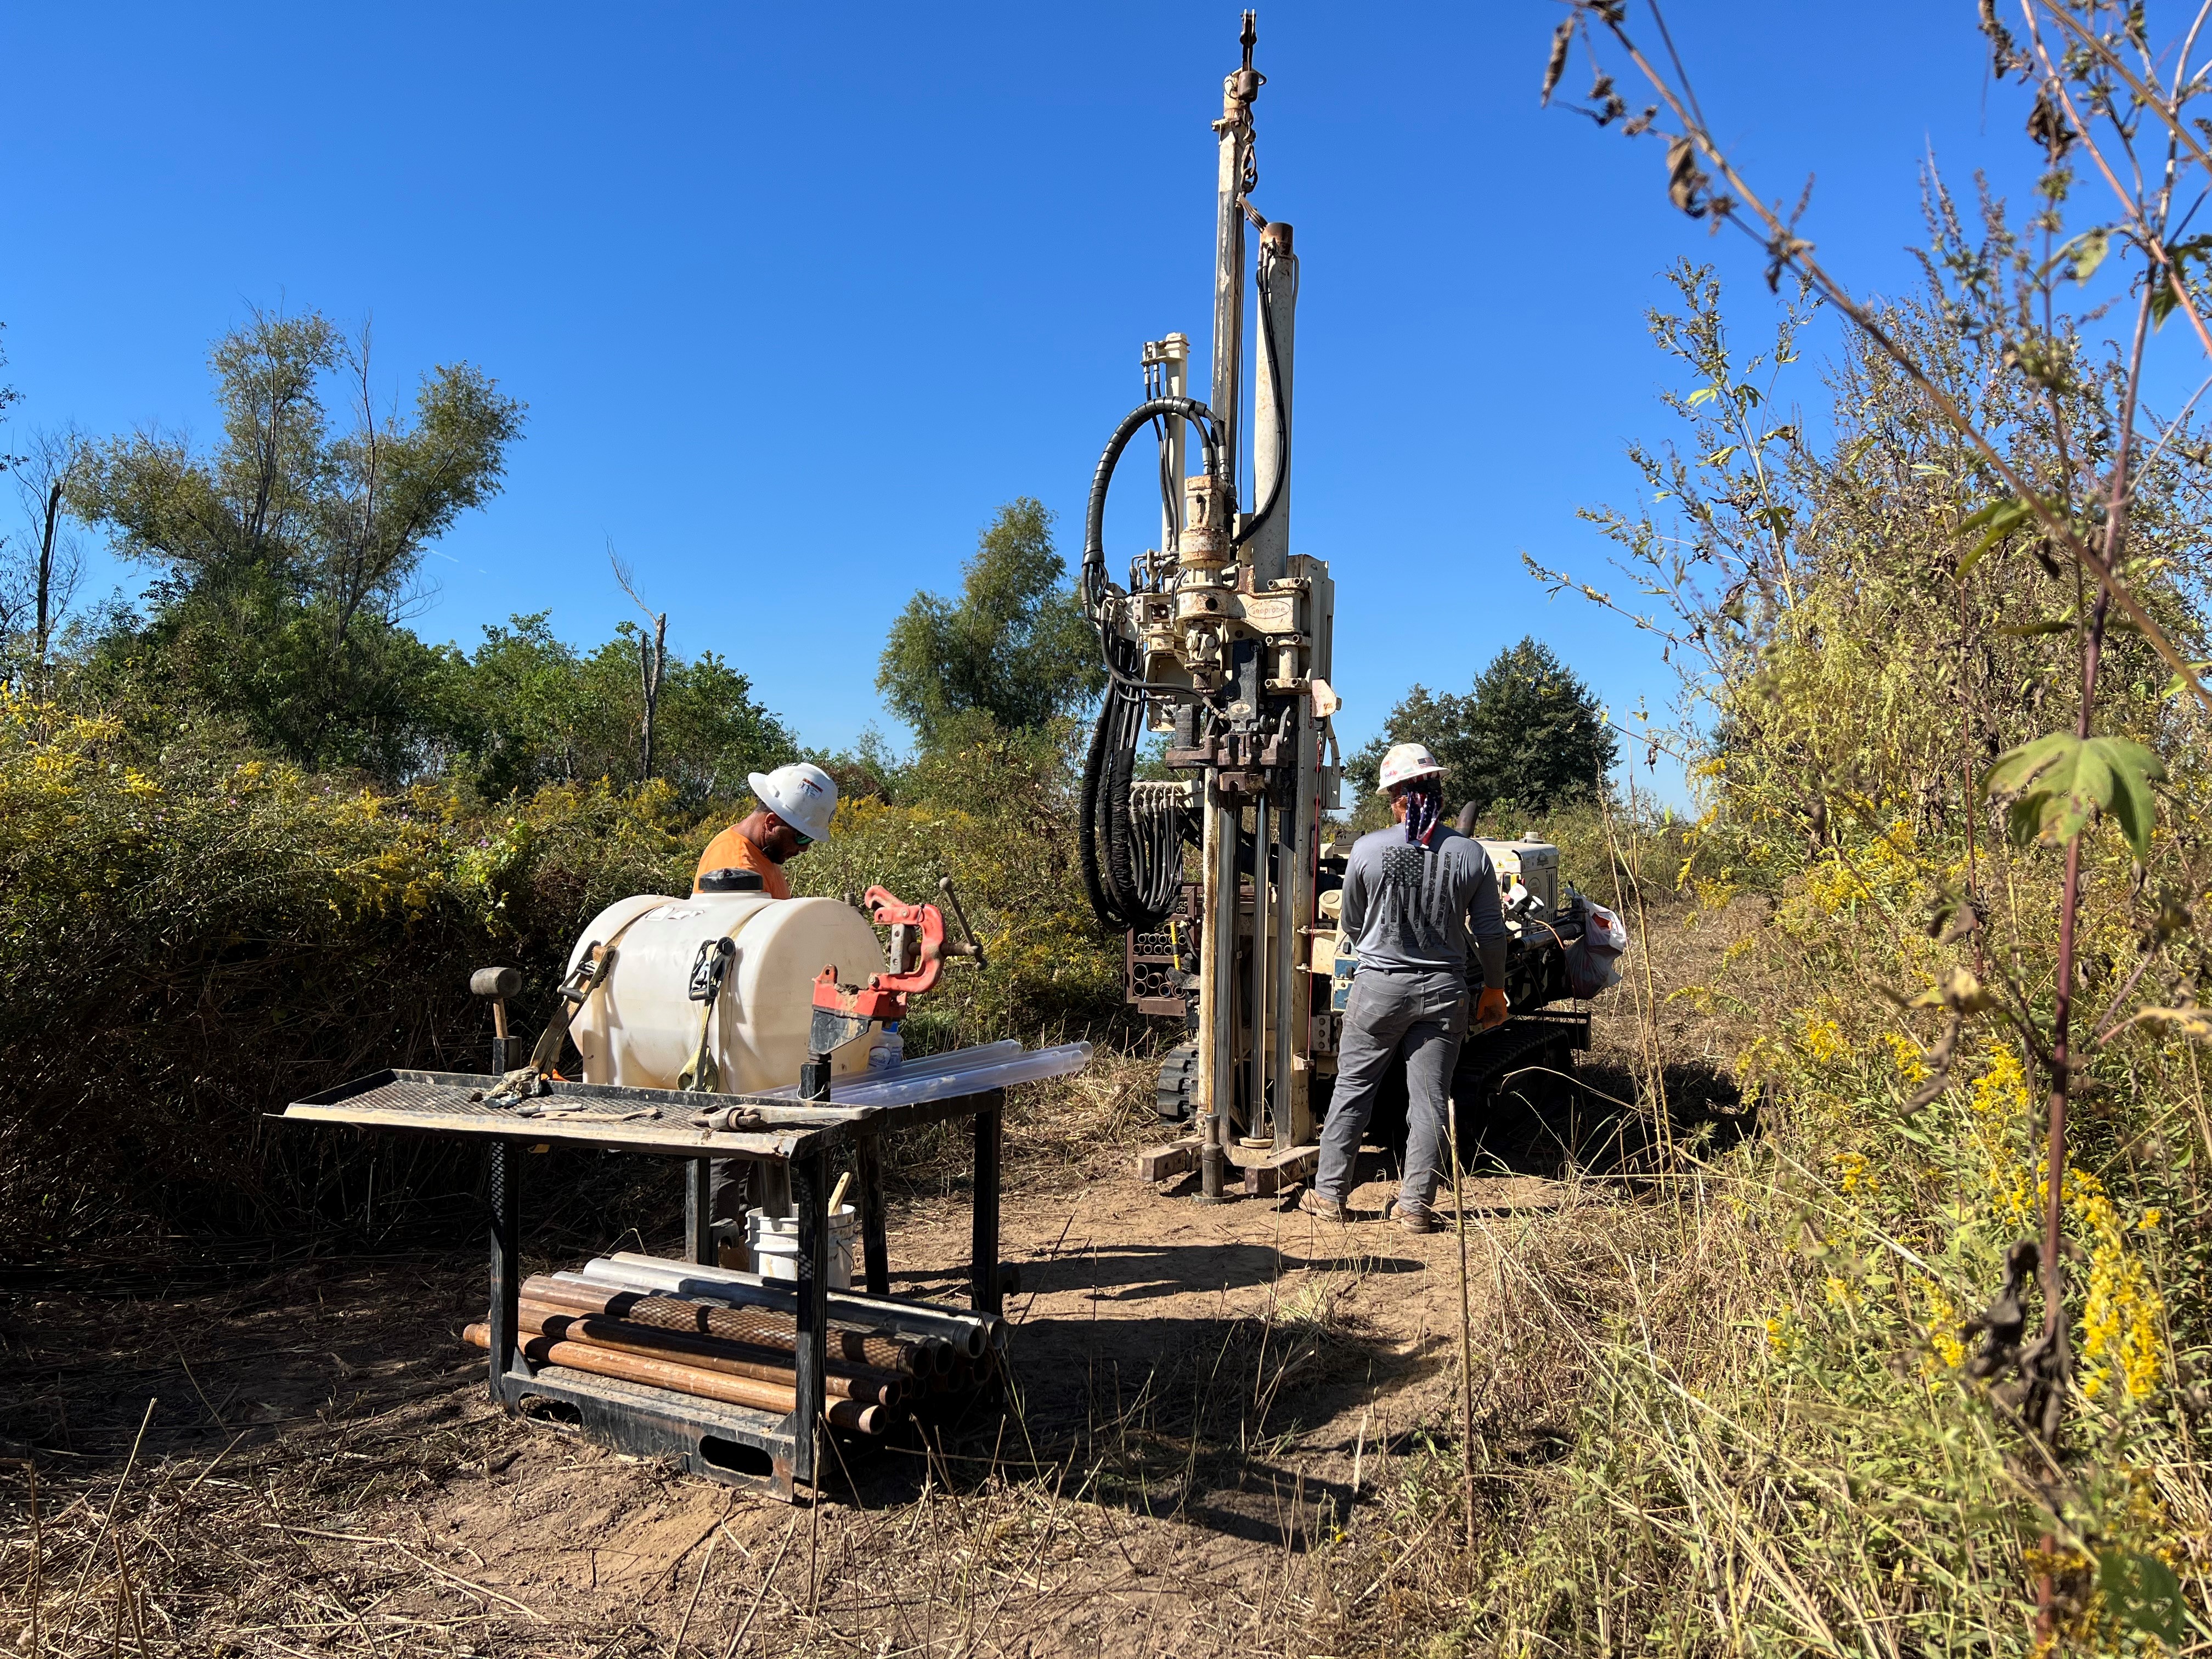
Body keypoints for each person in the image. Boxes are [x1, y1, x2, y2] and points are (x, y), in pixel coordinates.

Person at [1301, 742, 1510, 1233]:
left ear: (1395, 796)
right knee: (1431, 1099)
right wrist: (1494, 990)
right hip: (1444, 991)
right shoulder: (1469, 853)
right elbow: (1492, 933)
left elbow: (1350, 920)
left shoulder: (1369, 850)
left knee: (1353, 1088)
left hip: (1379, 989)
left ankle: (1330, 1197)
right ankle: (1416, 1206)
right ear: (1437, 789)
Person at [695, 762, 838, 1263]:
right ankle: (720, 1271)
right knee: (730, 1147)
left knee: (762, 1145)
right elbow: (740, 957)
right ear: (773, 822)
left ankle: (765, 1265)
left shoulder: (762, 860)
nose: (802, 850)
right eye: (801, 839)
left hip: (758, 1026)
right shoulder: (735, 863)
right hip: (735, 1028)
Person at [693, 761, 838, 898]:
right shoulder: (738, 872)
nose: (805, 848)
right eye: (801, 837)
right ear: (771, 823)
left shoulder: (761, 853)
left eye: (810, 838)